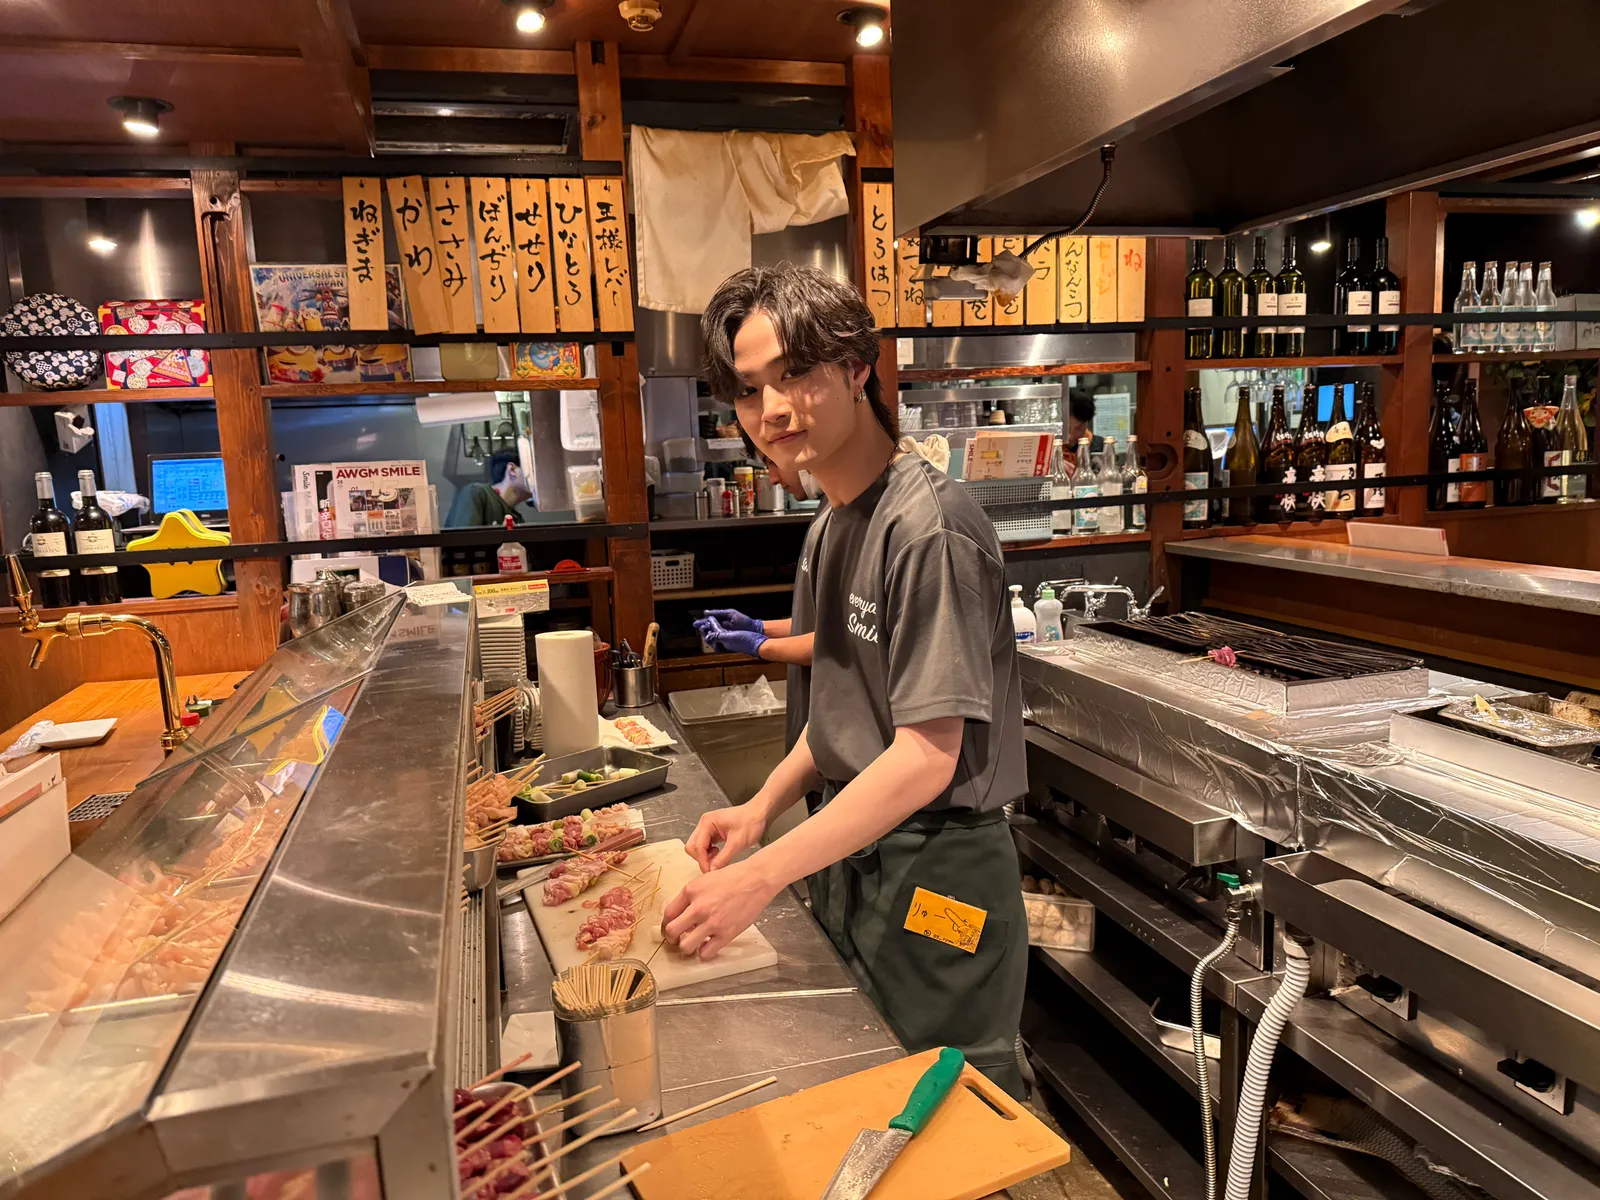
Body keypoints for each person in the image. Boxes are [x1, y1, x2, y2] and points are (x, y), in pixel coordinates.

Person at [662, 263, 1029, 1096]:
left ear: (857, 366)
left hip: (939, 872)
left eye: (796, 373)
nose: (772, 411)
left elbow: (926, 756)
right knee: (861, 1096)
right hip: (853, 852)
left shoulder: (928, 527)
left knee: (945, 1123)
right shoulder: (833, 518)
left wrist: (764, 873)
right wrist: (761, 809)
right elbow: (842, 698)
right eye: (751, 392)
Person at [445, 450, 531, 527]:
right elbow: (463, 541)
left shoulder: (517, 519)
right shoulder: (477, 493)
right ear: (512, 470)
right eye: (533, 470)